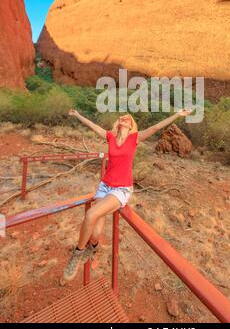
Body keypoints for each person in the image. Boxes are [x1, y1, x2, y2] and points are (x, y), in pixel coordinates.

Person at [63, 108, 192, 281]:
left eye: (128, 118)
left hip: (121, 190)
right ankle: (93, 248)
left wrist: (177, 115)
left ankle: (77, 255)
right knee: (95, 233)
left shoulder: (134, 139)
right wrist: (78, 115)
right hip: (104, 187)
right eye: (122, 117)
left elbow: (156, 127)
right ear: (118, 123)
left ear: (131, 125)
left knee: (91, 214)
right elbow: (92, 126)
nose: (124, 118)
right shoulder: (110, 137)